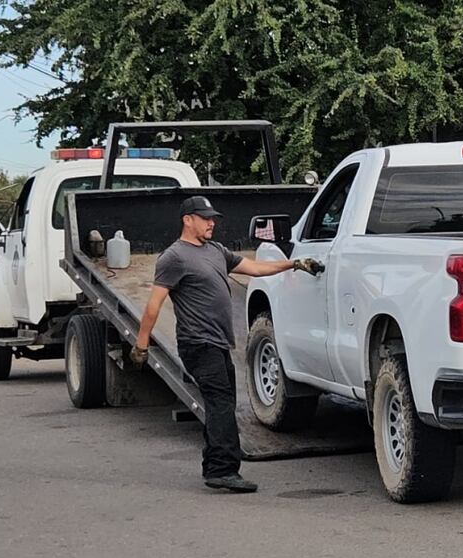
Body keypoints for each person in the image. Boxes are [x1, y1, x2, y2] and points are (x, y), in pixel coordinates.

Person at [132, 195, 322, 492]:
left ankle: (214, 464)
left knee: (223, 403)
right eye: (205, 218)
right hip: (197, 343)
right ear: (187, 220)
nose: (212, 223)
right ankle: (222, 470)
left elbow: (255, 268)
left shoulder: (216, 251)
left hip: (218, 343)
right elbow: (154, 305)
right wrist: (141, 346)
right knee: (221, 404)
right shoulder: (174, 257)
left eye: (213, 219)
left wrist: (294, 263)